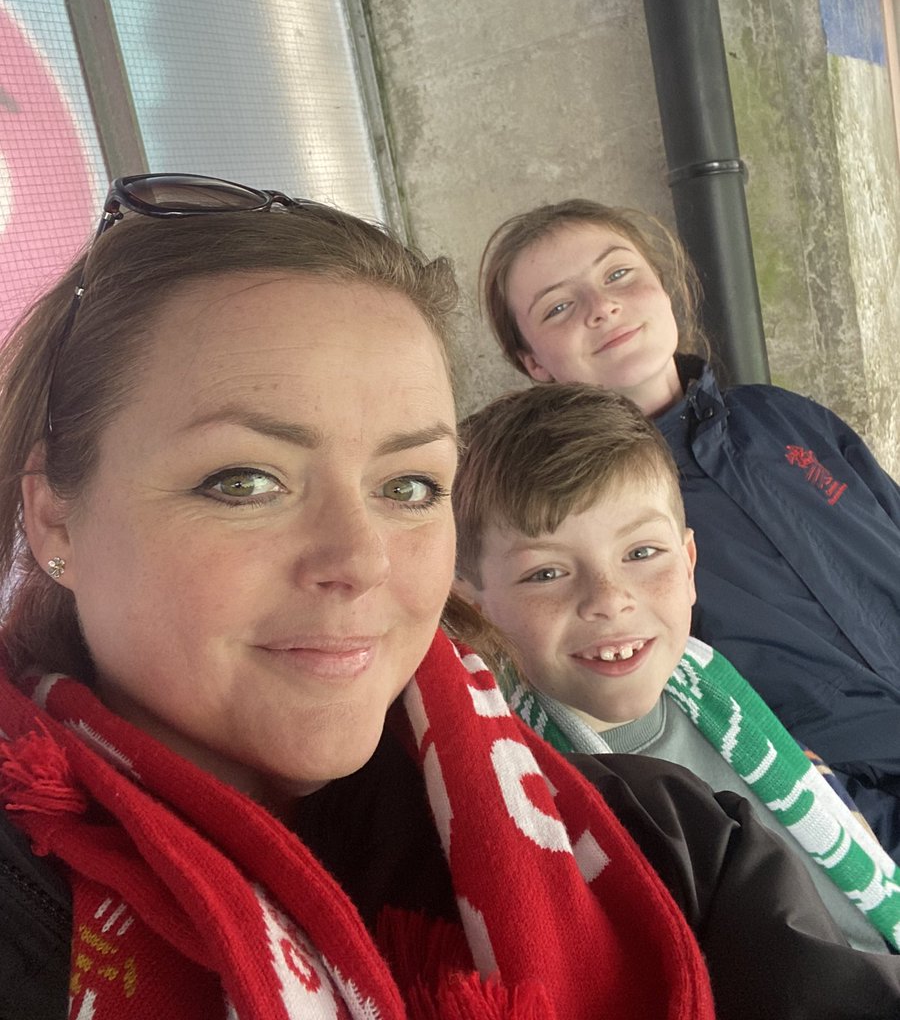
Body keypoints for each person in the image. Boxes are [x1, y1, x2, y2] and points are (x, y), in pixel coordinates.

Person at [0, 177, 897, 1020]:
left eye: (410, 487)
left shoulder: (666, 844)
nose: (361, 560)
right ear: (55, 519)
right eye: (246, 480)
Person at [479, 198, 900, 859]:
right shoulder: (576, 513)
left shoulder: (781, 418)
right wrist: (855, 824)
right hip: (862, 819)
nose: (602, 306)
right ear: (535, 365)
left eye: (619, 274)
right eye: (558, 306)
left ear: (667, 287)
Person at [450, 381, 900, 956]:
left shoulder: (711, 685)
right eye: (546, 573)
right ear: (471, 607)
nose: (609, 599)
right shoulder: (519, 795)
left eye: (641, 553)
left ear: (689, 566)